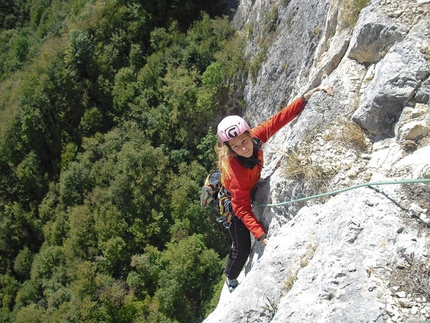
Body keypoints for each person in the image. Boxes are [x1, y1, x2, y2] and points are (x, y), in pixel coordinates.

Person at [215, 85, 334, 292]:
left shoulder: (256, 138)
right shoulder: (236, 173)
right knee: (242, 248)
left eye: (244, 140)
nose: (244, 147)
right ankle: (231, 278)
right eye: (236, 146)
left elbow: (277, 120)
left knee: (244, 242)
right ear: (230, 150)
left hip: (248, 189)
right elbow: (241, 208)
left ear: (249, 134)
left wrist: (304, 99)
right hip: (233, 203)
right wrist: (261, 236)